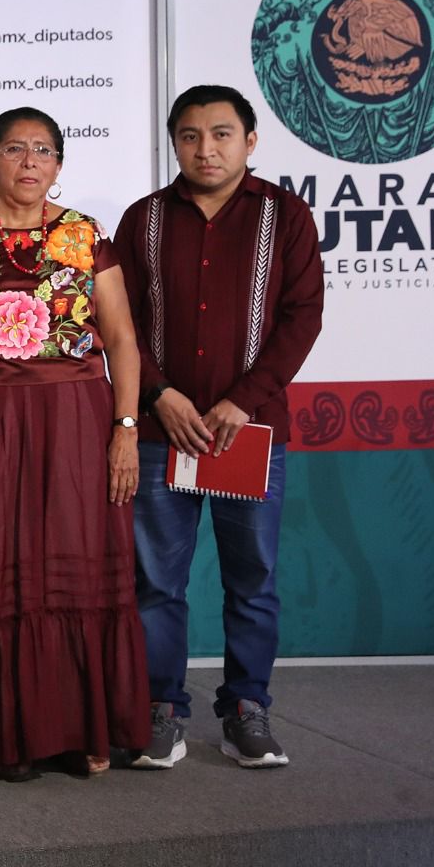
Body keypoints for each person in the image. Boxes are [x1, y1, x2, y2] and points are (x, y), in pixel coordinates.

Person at [0, 106, 150, 779]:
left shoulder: (86, 236)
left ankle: (77, 729)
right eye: (14, 148)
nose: (30, 161)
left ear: (59, 165)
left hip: (72, 420)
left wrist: (126, 429)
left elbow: (122, 339)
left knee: (74, 570)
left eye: (43, 150)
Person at [113, 84, 323, 770]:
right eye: (191, 135)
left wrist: (244, 400)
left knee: (252, 579)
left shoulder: (286, 216)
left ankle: (245, 710)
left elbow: (302, 317)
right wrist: (160, 394)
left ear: (250, 141)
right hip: (160, 433)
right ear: (174, 143)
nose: (206, 149)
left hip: (247, 434)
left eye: (222, 134)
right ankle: (161, 709)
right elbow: (121, 325)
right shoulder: (143, 219)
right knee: (155, 583)